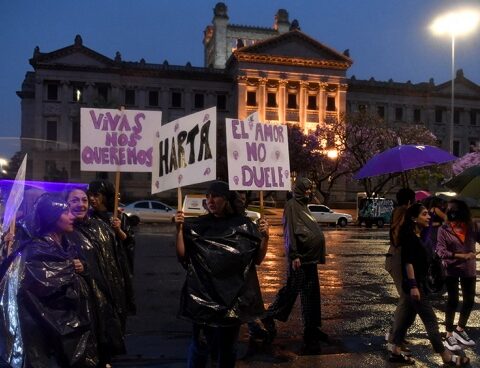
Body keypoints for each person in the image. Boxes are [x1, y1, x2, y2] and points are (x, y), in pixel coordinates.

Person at [175, 181, 269, 367]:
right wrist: (178, 231)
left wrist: (266, 237)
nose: (210, 200)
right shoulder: (197, 225)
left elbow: (257, 259)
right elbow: (183, 256)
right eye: (207, 196)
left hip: (233, 300)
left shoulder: (244, 226)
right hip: (204, 297)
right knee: (200, 345)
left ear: (227, 199)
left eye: (215, 196)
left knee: (228, 347)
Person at [0, 193, 97, 367]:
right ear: (51, 217)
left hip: (59, 338)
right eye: (66, 212)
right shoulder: (37, 251)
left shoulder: (63, 245)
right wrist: (69, 270)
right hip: (44, 340)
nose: (72, 216)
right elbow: (45, 298)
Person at [389, 203, 469, 366]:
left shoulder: (416, 235)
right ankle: (445, 355)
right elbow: (408, 263)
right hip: (415, 286)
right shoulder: (410, 238)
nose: (428, 217)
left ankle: (395, 349)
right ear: (414, 218)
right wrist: (413, 286)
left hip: (418, 285)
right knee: (431, 320)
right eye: (424, 214)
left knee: (405, 319)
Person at [261, 177, 327, 353]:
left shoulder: (303, 205)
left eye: (311, 189)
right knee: (292, 291)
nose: (310, 192)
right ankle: (269, 315)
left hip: (310, 258)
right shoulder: (291, 205)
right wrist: (294, 254)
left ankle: (311, 329)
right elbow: (289, 230)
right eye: (307, 189)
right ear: (298, 190)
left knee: (311, 294)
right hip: (300, 258)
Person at [65, 187, 127, 367]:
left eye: (84, 200)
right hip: (77, 304)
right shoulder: (62, 229)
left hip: (101, 297)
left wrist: (118, 232)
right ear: (66, 204)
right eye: (75, 200)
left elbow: (114, 260)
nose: (81, 204)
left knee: (102, 342)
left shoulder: (99, 227)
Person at [87, 180, 136, 319]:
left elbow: (129, 243)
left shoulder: (119, 217)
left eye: (96, 195)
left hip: (115, 272)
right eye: (90, 195)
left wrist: (118, 230)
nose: (91, 199)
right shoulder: (88, 217)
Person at [436, 199, 479, 351]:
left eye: (453, 209)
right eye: (448, 209)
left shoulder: (472, 226)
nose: (449, 211)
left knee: (469, 300)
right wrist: (461, 255)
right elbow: (441, 251)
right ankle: (448, 334)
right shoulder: (444, 229)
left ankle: (460, 330)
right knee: (453, 300)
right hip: (451, 270)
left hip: (469, 270)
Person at [384, 188, 416, 354]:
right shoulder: (402, 212)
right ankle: (394, 338)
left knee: (406, 300)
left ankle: (397, 334)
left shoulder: (400, 211)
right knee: (405, 299)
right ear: (410, 201)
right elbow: (398, 236)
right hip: (397, 258)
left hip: (396, 257)